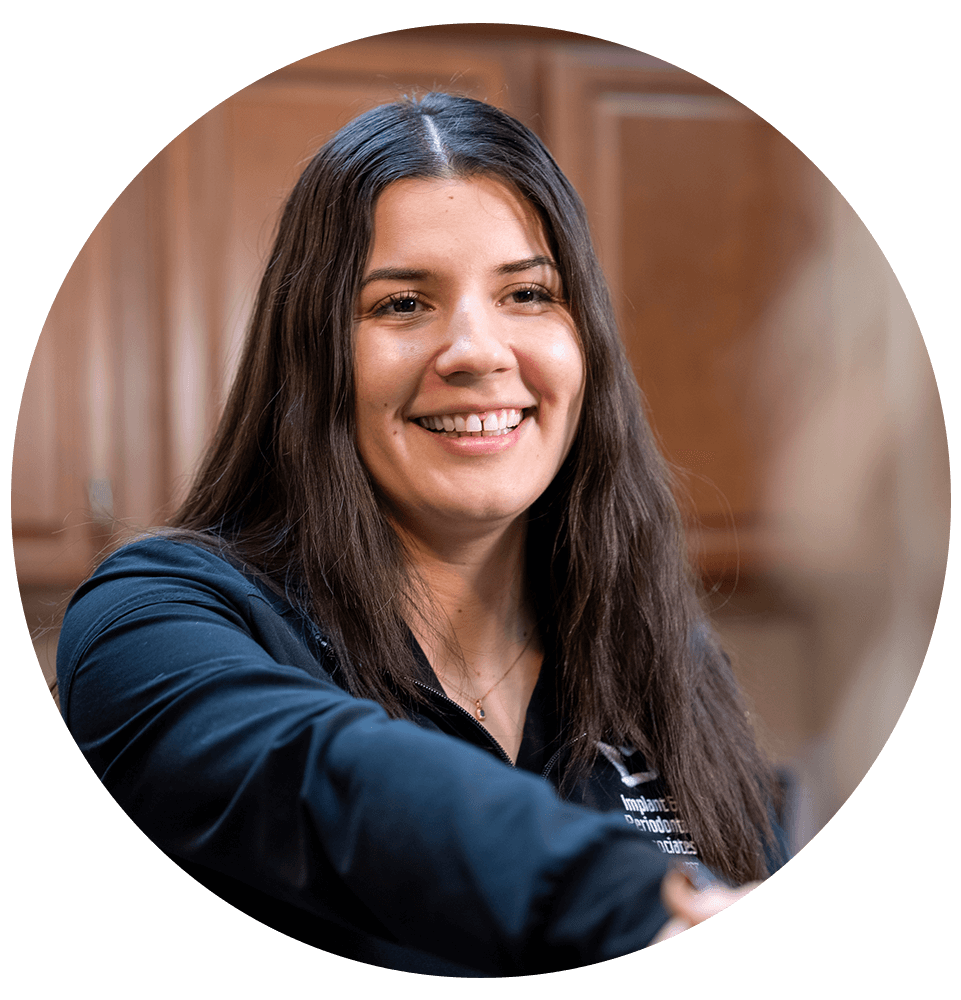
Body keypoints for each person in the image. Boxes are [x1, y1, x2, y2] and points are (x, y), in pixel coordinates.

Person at [56, 92, 787, 976]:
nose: (477, 351)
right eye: (402, 304)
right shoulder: (155, 623)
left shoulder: (663, 659)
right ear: (313, 353)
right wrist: (632, 901)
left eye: (527, 293)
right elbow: (332, 780)